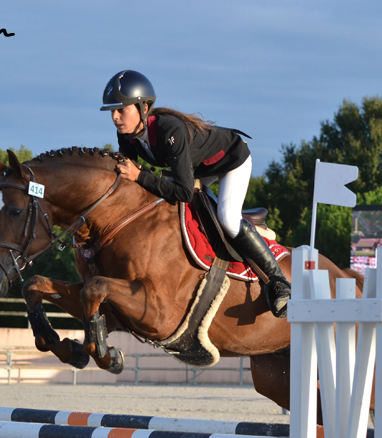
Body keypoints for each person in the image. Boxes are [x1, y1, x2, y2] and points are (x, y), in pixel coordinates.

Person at [100, 70, 291, 317]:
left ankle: (278, 282)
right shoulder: (126, 135)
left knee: (228, 219)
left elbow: (183, 191)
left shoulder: (170, 130)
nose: (115, 117)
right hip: (196, 168)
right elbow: (130, 176)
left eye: (121, 109)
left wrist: (140, 176)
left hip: (231, 160)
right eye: (112, 111)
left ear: (144, 107)